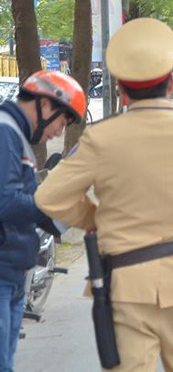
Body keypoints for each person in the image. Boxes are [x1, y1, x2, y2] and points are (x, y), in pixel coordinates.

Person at [36, 18, 173, 372]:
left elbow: (49, 197)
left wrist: (97, 218)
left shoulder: (102, 138)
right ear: (172, 82)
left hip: (125, 283)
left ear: (121, 90)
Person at [0, 70, 85, 371]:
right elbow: (6, 203)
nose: (59, 133)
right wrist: (54, 205)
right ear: (46, 106)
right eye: (63, 122)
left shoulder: (15, 135)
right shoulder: (5, 132)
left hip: (12, 273)